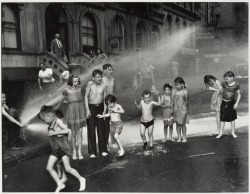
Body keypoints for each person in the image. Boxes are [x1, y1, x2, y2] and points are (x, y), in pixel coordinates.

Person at [38, 106, 86, 192]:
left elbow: (67, 130)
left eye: (44, 119)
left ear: (49, 116)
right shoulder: (49, 125)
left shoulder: (58, 121)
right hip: (55, 150)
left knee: (68, 168)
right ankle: (60, 184)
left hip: (62, 149)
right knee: (49, 167)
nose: (44, 121)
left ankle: (81, 179)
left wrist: (55, 133)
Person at [55, 75, 86, 160]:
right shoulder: (66, 90)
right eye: (74, 81)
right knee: (73, 133)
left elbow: (83, 97)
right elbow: (62, 99)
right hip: (72, 110)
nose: (76, 83)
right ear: (71, 81)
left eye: (77, 81)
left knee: (79, 132)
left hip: (80, 110)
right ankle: (74, 151)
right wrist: (58, 107)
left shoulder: (80, 88)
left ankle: (79, 151)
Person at [85, 69, 108, 158]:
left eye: (100, 77)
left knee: (101, 129)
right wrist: (87, 109)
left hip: (101, 107)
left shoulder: (104, 85)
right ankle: (92, 152)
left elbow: (105, 98)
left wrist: (105, 110)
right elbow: (86, 96)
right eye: (98, 77)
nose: (99, 79)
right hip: (91, 107)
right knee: (91, 130)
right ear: (93, 78)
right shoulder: (89, 84)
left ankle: (103, 149)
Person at [215, 71, 241, 139]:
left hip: (231, 103)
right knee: (222, 118)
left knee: (232, 119)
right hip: (224, 102)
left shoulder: (237, 85)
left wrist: (237, 103)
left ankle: (233, 132)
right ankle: (221, 133)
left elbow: (239, 95)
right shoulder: (224, 83)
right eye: (225, 78)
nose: (226, 80)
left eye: (227, 78)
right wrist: (216, 97)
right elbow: (219, 89)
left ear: (232, 77)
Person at [102, 63, 116, 148]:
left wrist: (114, 104)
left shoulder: (113, 79)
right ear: (104, 71)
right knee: (106, 124)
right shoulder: (103, 79)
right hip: (105, 104)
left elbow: (112, 92)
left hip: (112, 103)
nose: (111, 71)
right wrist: (105, 107)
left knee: (113, 123)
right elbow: (103, 94)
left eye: (112, 69)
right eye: (109, 69)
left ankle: (113, 141)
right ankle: (105, 143)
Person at [172, 77, 189, 143]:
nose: (176, 86)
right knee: (177, 124)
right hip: (176, 109)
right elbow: (173, 101)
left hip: (183, 109)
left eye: (177, 85)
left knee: (183, 124)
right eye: (175, 85)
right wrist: (172, 109)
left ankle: (184, 137)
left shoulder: (185, 92)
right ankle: (179, 136)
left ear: (182, 84)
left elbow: (187, 102)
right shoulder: (174, 91)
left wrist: (187, 110)